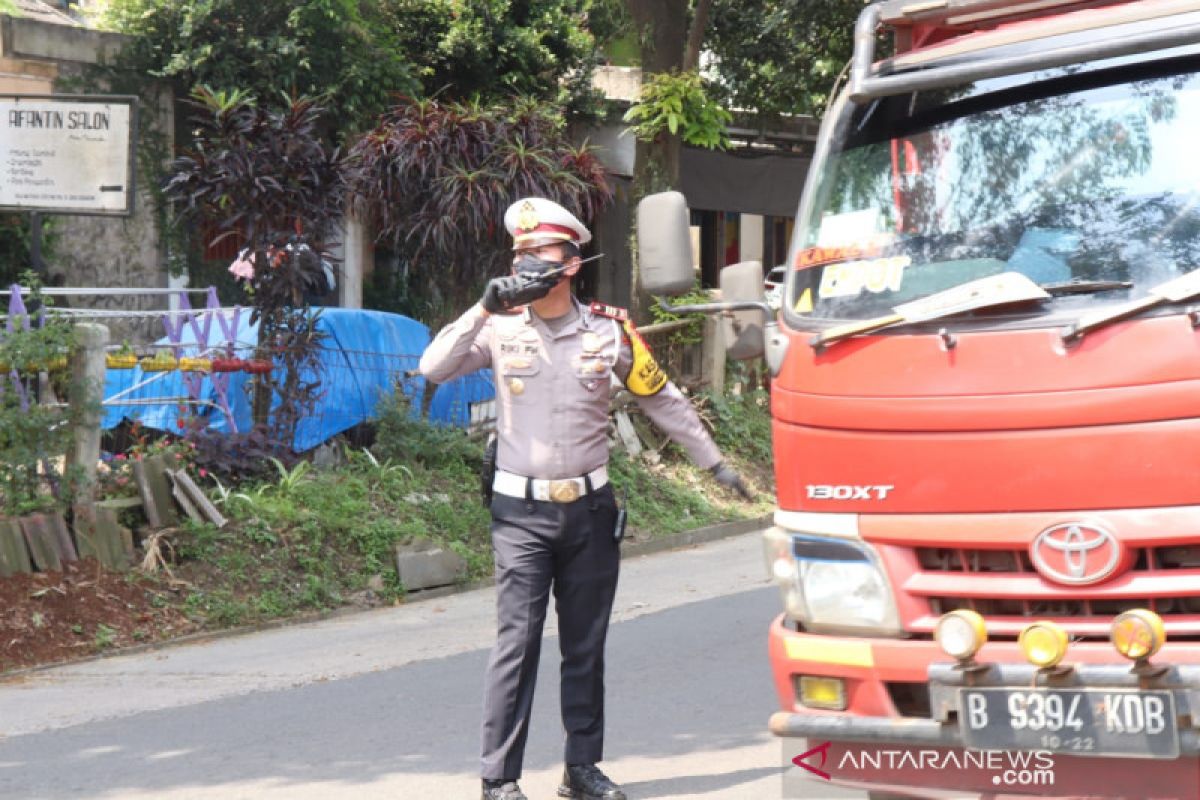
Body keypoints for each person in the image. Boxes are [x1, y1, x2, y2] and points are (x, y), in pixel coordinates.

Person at [419, 197, 750, 800]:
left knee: (585, 645)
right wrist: (481, 307)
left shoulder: (609, 330)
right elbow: (433, 366)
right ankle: (499, 778)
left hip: (590, 512)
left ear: (569, 262)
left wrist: (716, 464)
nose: (523, 267)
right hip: (519, 514)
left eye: (536, 256)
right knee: (516, 645)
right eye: (517, 256)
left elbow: (663, 400)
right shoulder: (498, 327)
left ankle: (582, 769)